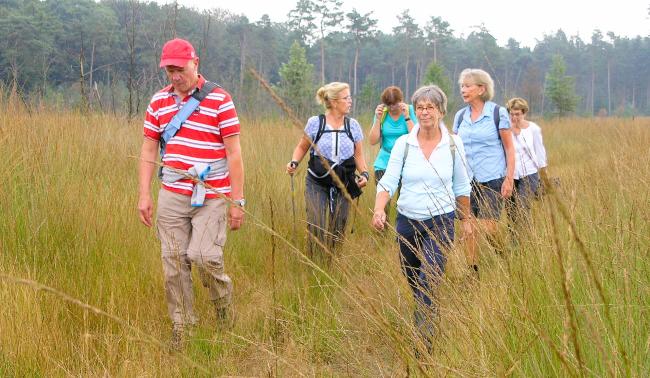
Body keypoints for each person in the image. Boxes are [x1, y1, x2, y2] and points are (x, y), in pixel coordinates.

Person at [137, 38, 245, 350]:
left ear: (194, 63)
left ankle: (224, 313)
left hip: (212, 194)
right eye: (168, 70)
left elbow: (234, 153)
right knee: (173, 261)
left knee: (204, 256)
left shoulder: (220, 100)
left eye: (179, 68)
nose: (174, 75)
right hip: (172, 193)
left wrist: (237, 201)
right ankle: (183, 327)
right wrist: (144, 194)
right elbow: (148, 148)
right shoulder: (158, 102)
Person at [372, 85, 471, 351]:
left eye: (430, 107)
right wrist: (379, 209)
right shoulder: (405, 144)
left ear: (440, 111)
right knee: (414, 278)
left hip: (441, 221)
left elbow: (462, 186)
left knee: (430, 278)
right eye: (420, 107)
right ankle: (425, 311)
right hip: (407, 222)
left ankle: (423, 344)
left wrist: (467, 220)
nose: (425, 112)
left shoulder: (453, 143)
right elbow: (389, 181)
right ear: (415, 111)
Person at [286, 82, 368, 260]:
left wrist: (365, 173)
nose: (350, 101)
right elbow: (302, 147)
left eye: (350, 97)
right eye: (346, 98)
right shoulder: (316, 123)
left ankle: (332, 264)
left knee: (338, 228)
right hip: (317, 182)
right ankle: (315, 264)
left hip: (344, 183)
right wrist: (294, 162)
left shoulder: (353, 126)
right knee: (316, 224)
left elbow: (359, 155)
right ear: (334, 101)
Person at [452, 68, 515, 274]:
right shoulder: (460, 116)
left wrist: (509, 179)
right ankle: (473, 272)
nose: (463, 89)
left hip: (492, 179)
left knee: (488, 226)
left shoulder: (498, 113)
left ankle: (503, 252)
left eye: (468, 86)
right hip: (465, 182)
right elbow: (453, 147)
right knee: (467, 226)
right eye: (462, 86)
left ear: (481, 89)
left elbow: (509, 148)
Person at [368, 86, 416, 219]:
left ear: (401, 100)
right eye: (388, 104)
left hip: (406, 162)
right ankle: (381, 234)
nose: (392, 107)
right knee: (383, 204)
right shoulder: (382, 113)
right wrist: (377, 119)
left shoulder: (410, 110)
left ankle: (402, 235)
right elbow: (372, 141)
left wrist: (406, 117)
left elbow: (417, 137)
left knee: (404, 204)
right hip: (384, 162)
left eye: (395, 104)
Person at [505, 97, 548, 227]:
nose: (514, 117)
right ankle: (514, 242)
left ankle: (527, 239)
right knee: (511, 211)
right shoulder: (505, 129)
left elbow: (540, 152)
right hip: (510, 175)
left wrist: (544, 175)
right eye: (511, 114)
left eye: (517, 114)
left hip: (529, 174)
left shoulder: (533, 129)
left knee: (523, 208)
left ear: (524, 113)